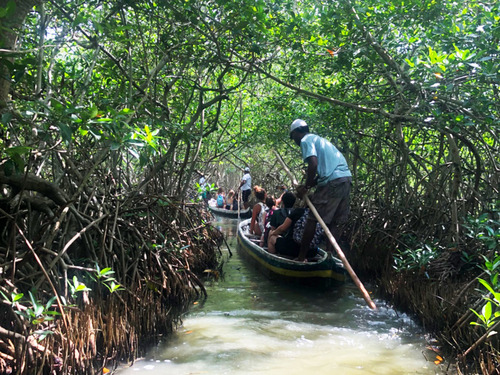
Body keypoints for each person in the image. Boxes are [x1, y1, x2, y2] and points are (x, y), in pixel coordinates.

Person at [289, 118, 352, 261]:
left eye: (293, 137)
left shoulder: (306, 140)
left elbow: (313, 164)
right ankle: (329, 256)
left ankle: (301, 257)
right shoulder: (320, 140)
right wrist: (311, 184)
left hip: (332, 182)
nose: (295, 141)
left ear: (298, 132)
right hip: (346, 180)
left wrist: (305, 187)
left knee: (312, 219)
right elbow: (322, 171)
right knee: (335, 221)